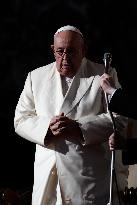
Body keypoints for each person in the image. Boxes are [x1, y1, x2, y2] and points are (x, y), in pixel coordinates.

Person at [14, 25, 128, 205]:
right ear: (53, 50)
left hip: (88, 180)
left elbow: (120, 118)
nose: (65, 58)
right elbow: (20, 119)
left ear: (84, 50)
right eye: (60, 52)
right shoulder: (35, 77)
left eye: (71, 51)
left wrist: (80, 128)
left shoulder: (103, 74)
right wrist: (47, 128)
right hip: (48, 181)